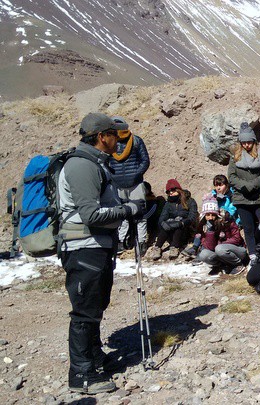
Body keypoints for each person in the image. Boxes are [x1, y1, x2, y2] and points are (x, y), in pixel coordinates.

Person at [58, 112, 145, 394]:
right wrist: (129, 209)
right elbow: (90, 214)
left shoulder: (95, 163)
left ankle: (95, 360)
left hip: (96, 246)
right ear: (101, 137)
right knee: (84, 310)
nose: (118, 141)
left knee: (94, 306)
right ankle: (82, 374)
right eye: (113, 135)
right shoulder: (81, 166)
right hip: (83, 246)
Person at [228, 122, 260, 260]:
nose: (246, 145)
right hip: (242, 198)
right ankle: (252, 255)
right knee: (248, 228)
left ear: (253, 141)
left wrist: (252, 185)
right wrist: (244, 186)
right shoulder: (234, 156)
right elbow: (232, 177)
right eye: (243, 142)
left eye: (249, 142)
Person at [108, 116, 150, 253]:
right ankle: (122, 239)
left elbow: (145, 161)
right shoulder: (110, 143)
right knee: (122, 213)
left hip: (134, 183)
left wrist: (135, 175)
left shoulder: (136, 141)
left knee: (140, 213)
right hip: (119, 184)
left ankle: (142, 240)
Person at [182, 174, 240, 259]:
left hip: (228, 220)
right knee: (204, 223)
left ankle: (202, 251)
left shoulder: (232, 196)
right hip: (215, 217)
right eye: (216, 185)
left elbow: (232, 211)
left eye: (221, 185)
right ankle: (195, 247)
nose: (218, 188)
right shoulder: (213, 195)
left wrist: (221, 208)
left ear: (227, 185)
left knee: (211, 226)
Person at [145, 179, 198, 261]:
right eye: (168, 191)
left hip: (185, 230)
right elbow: (162, 217)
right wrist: (163, 223)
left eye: (173, 190)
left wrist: (182, 223)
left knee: (178, 223)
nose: (170, 193)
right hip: (169, 232)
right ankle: (157, 247)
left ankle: (174, 247)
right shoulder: (168, 203)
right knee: (168, 224)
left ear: (178, 189)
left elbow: (192, 217)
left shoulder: (190, 201)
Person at [195, 195, 246, 275]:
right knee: (203, 254)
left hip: (237, 250)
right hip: (220, 251)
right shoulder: (204, 225)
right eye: (208, 215)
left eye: (213, 215)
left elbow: (237, 239)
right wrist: (210, 231)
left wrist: (221, 244)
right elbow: (210, 247)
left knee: (219, 249)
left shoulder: (226, 221)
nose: (210, 218)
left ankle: (238, 264)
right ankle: (221, 265)